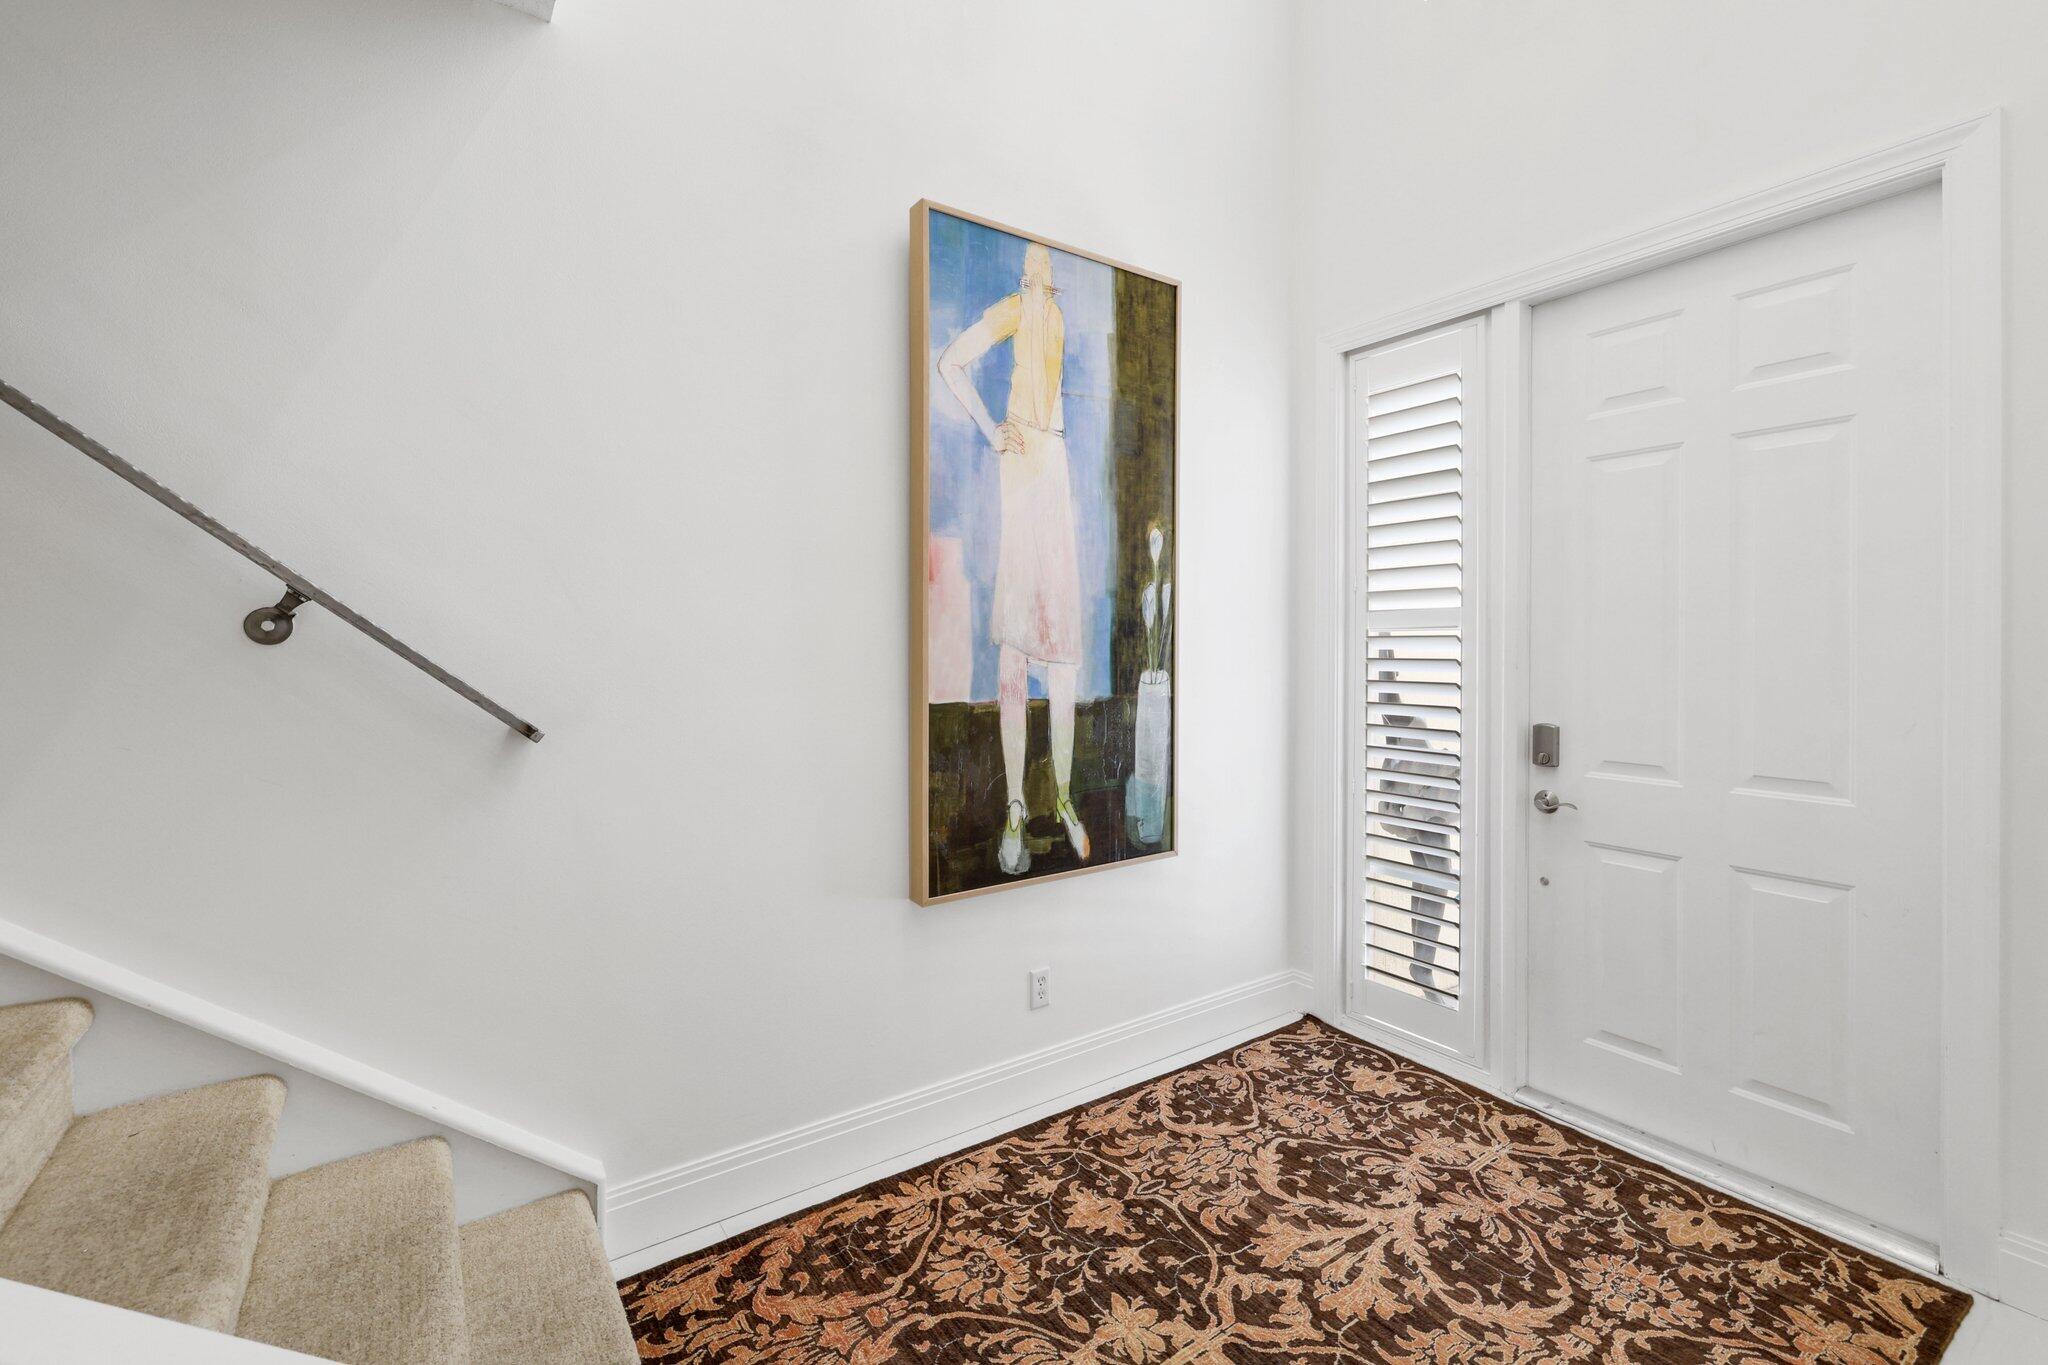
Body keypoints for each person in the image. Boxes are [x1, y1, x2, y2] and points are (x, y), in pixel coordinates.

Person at [937, 242, 1088, 875]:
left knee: (1063, 646)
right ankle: (1016, 807)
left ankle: (1064, 796)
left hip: (1053, 466)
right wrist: (990, 429)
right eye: (1032, 270)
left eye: (1045, 273)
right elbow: (950, 362)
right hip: (1022, 469)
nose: (1039, 278)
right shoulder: (1012, 309)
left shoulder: (1054, 314)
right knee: (1016, 643)